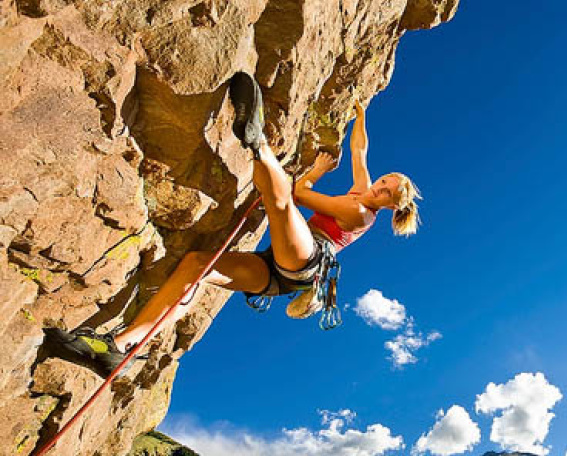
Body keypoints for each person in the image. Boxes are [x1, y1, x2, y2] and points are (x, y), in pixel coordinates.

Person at [44, 72, 422, 376]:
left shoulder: (359, 213)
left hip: (307, 259)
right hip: (278, 271)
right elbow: (360, 150)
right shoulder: (361, 190)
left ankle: (257, 143)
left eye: (387, 193)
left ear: (390, 208)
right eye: (385, 180)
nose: (379, 187)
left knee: (282, 203)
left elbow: (300, 195)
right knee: (196, 266)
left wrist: (316, 173)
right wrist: (362, 114)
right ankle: (122, 347)